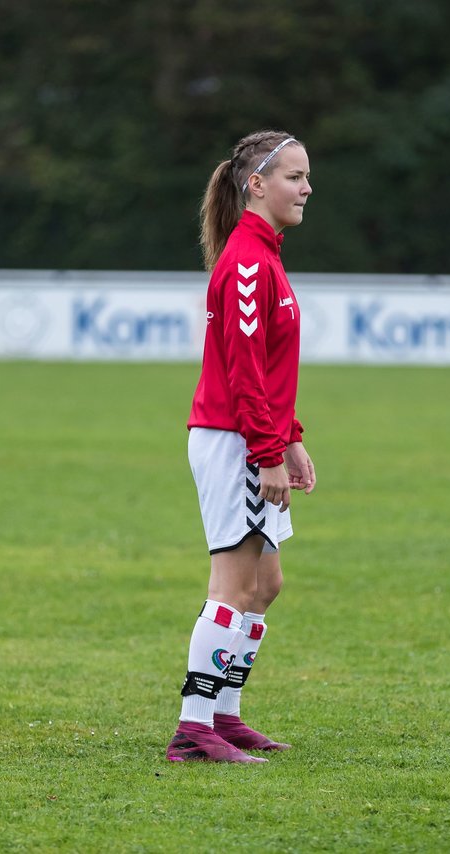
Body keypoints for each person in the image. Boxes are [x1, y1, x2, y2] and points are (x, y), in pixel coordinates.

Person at [167, 130, 317, 763]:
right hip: (235, 441)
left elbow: (269, 368)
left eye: (307, 177)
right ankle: (193, 727)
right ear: (256, 184)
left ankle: (223, 716)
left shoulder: (264, 255)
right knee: (233, 586)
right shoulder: (249, 261)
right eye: (294, 176)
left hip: (251, 435)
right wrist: (265, 450)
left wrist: (293, 438)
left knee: (266, 583)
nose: (306, 188)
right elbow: (243, 368)